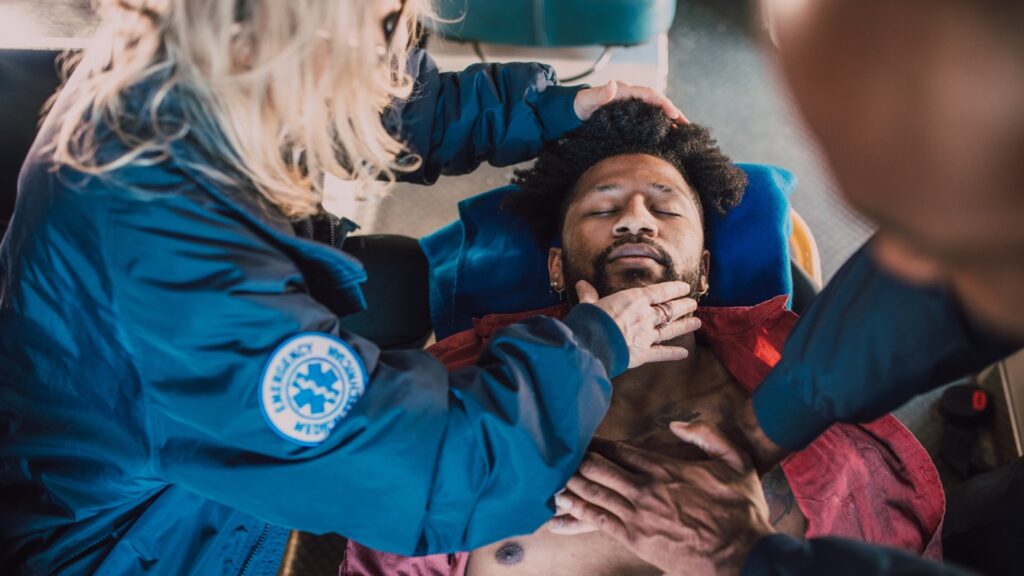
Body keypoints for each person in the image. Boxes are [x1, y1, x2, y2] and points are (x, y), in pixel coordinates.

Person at [0, 1, 697, 574]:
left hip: (134, 394)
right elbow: (428, 477)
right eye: (383, 24)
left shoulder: (200, 60)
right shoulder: (175, 272)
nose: (396, 36)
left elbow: (376, 101)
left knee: (390, 275)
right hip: (134, 544)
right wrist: (592, 347)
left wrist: (547, 108)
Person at [340, 100, 945, 575]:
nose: (635, 217)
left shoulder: (810, 393)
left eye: (666, 206)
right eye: (603, 208)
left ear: (706, 270)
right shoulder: (464, 392)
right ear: (556, 268)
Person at [551, 1, 1024, 575]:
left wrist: (747, 559)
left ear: (704, 269)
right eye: (889, 225)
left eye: (920, 224)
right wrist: (761, 428)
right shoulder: (476, 399)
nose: (636, 219)